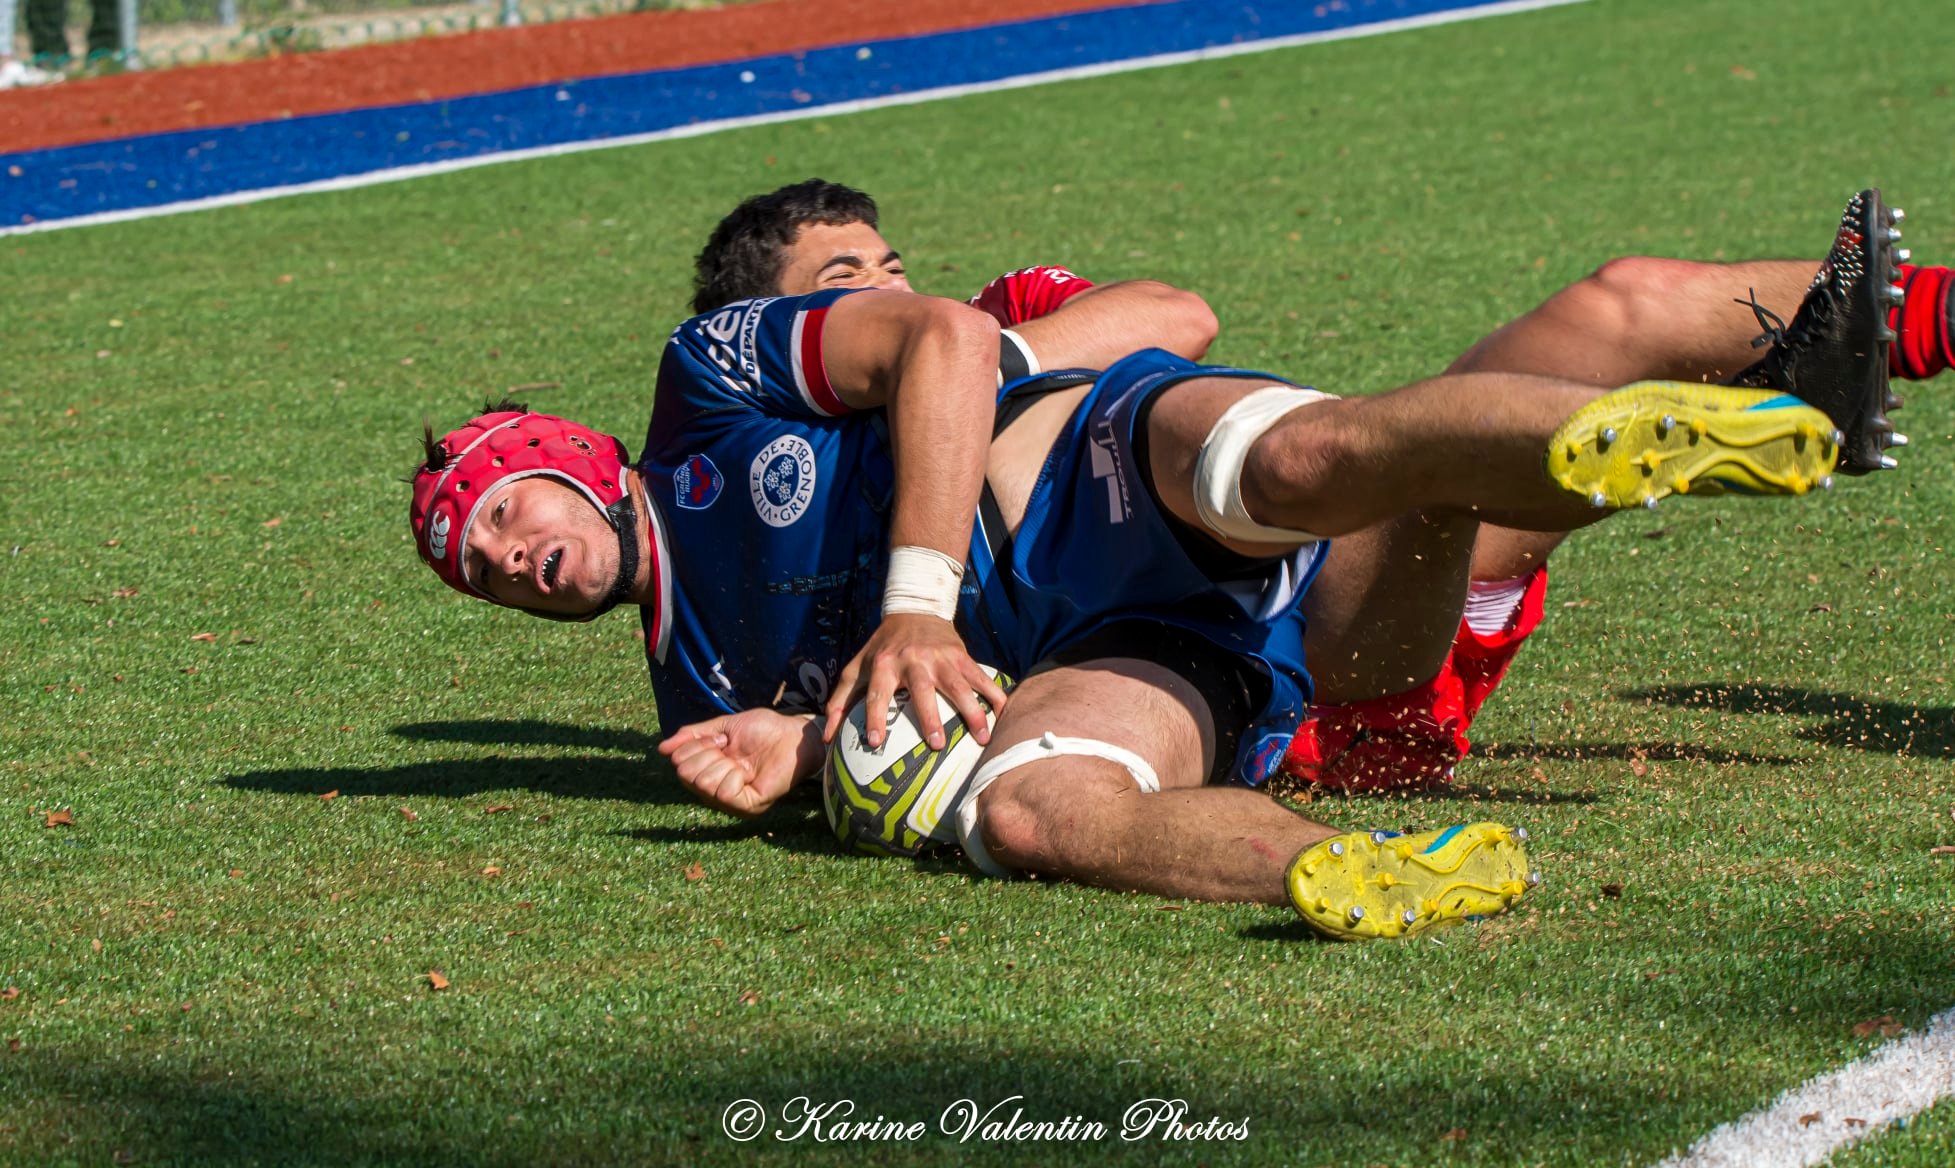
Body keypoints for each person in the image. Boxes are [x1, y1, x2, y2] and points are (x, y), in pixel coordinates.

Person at [408, 186, 1917, 939]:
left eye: (499, 511)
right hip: (1268, 678)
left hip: (1165, 512)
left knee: (1420, 410)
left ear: (568, 453)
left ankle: (1798, 373)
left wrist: (963, 441)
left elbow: (1141, 322)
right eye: (474, 559)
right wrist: (804, 753)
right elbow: (874, 738)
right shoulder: (691, 686)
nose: (505, 555)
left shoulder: (797, 370)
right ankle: (1344, 862)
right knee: (1032, 806)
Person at [684, 180, 1948, 797]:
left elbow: (1173, 314)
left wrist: (967, 367)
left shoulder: (977, 324)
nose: (895, 294)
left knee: (1620, 299)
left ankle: (1896, 335)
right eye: (848, 281)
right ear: (774, 325)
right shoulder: (771, 499)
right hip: (1310, 672)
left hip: (1325, 529)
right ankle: (1706, 425)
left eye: (893, 266)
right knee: (1429, 464)